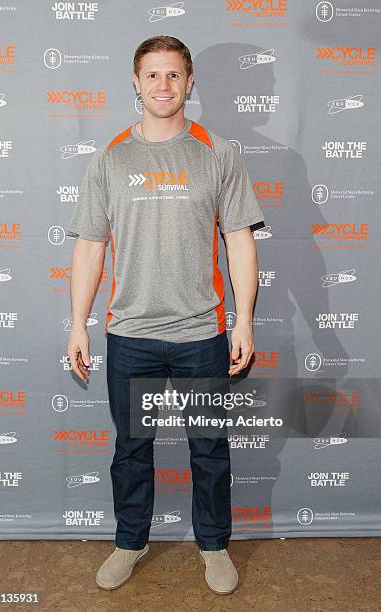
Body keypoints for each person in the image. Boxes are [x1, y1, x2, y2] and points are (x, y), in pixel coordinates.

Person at [66, 35, 265, 595]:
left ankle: (214, 545)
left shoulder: (217, 153)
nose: (162, 86)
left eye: (173, 75)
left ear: (190, 82)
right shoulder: (111, 158)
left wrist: (243, 321)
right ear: (136, 82)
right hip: (129, 333)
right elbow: (89, 246)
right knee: (130, 450)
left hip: (201, 331)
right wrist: (77, 322)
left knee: (208, 447)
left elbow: (240, 240)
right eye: (152, 75)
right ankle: (130, 541)